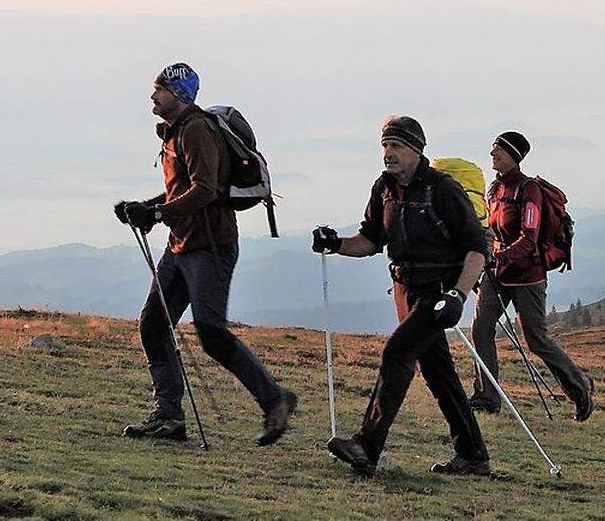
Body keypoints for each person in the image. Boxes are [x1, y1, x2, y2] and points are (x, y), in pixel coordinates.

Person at [113, 62, 297, 445]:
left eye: (160, 89)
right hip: (182, 244)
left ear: (179, 95)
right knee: (153, 325)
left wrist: (157, 212)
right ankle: (168, 416)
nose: (153, 95)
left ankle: (274, 399)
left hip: (209, 246)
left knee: (211, 333)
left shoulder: (195, 129)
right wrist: (145, 207)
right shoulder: (177, 132)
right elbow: (186, 188)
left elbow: (205, 190)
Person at [312, 115, 493, 476]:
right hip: (408, 289)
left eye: (395, 146)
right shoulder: (383, 189)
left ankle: (366, 446)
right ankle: (473, 455)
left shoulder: (444, 190)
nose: (388, 153)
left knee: (397, 352)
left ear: (415, 150)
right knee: (438, 372)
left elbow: (477, 249)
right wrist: (335, 245)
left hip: (439, 294)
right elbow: (370, 241)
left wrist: (458, 296)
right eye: (384, 146)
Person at [468, 131, 595, 421]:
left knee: (537, 340)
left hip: (527, 276)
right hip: (496, 274)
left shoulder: (529, 191)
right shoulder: (494, 189)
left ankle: (580, 390)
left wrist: (496, 256)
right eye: (492, 150)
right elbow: (490, 229)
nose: (492, 155)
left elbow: (529, 238)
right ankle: (487, 397)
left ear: (512, 156)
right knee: (480, 329)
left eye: (497, 150)